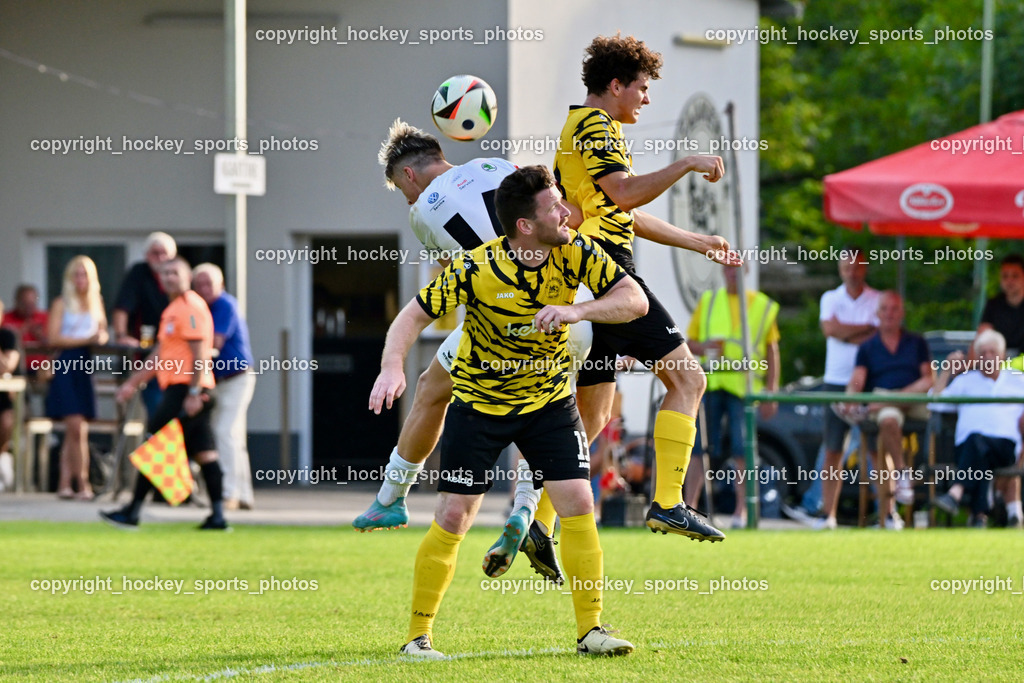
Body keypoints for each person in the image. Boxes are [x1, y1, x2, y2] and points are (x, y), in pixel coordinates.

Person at [373, 166, 645, 658]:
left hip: (548, 404)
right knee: (454, 516)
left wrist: (576, 311)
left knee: (580, 505)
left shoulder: (574, 251)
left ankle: (592, 631)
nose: (566, 212)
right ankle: (417, 638)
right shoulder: (476, 268)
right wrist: (392, 365)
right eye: (554, 207)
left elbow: (635, 300)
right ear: (524, 225)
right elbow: (412, 315)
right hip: (480, 406)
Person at [355, 119, 597, 586]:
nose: (410, 201)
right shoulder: (497, 165)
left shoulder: (423, 209)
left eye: (406, 193)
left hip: (502, 324)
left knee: (430, 389)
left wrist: (391, 363)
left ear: (409, 177)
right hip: (572, 314)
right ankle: (526, 510)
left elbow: (461, 277)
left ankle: (391, 496)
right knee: (547, 410)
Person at [554, 33, 739, 540]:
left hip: (586, 278)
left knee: (589, 420)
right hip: (609, 276)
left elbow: (622, 211)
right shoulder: (596, 125)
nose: (647, 99)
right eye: (642, 88)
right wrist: (684, 163)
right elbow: (623, 192)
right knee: (689, 381)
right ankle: (668, 501)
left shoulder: (583, 125)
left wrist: (698, 242)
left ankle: (533, 520)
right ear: (615, 86)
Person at [100, 257, 228, 530]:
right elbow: (160, 354)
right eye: (166, 273)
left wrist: (193, 393)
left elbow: (199, 354)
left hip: (186, 389)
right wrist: (133, 382)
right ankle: (217, 516)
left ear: (186, 278)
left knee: (155, 445)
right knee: (205, 453)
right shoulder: (172, 309)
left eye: (175, 273)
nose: (170, 277)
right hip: (183, 388)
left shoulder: (190, 306)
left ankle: (132, 512)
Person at [683, 265, 780, 528]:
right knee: (699, 448)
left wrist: (771, 391)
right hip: (712, 383)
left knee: (743, 449)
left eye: (736, 270)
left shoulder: (761, 305)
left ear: (745, 271)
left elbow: (772, 350)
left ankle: (743, 510)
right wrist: (705, 347)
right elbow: (689, 343)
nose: (731, 274)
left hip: (742, 388)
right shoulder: (709, 302)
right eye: (727, 269)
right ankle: (688, 507)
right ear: (722, 272)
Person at [839, 291, 934, 530]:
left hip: (912, 403)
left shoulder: (917, 342)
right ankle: (893, 498)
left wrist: (891, 398)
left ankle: (893, 507)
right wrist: (850, 397)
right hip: (884, 413)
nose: (890, 314)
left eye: (895, 309)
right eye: (885, 309)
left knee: (883, 409)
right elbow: (858, 380)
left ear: (901, 313)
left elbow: (928, 380)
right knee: (886, 421)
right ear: (878, 313)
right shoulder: (868, 347)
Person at [807, 249, 880, 530]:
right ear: (840, 270)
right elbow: (830, 330)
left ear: (865, 268)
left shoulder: (875, 299)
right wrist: (862, 329)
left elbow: (876, 332)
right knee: (833, 450)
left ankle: (884, 513)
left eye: (857, 266)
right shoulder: (830, 298)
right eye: (847, 267)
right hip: (836, 381)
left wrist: (845, 330)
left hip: (868, 381)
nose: (852, 272)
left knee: (874, 449)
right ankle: (829, 514)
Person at [931, 330, 1024, 527]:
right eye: (982, 353)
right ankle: (979, 515)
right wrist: (946, 370)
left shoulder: (1018, 381)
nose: (988, 357)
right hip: (969, 449)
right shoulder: (966, 381)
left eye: (992, 352)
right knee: (979, 450)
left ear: (1003, 355)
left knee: (977, 442)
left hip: (1005, 449)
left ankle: (957, 491)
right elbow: (935, 404)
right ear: (976, 357)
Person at [193, 263, 256, 511]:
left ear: (221, 285)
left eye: (209, 283)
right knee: (234, 436)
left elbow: (213, 344)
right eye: (199, 284)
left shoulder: (224, 305)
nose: (204, 288)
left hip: (235, 378)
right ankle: (244, 494)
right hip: (218, 381)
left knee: (223, 432)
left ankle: (228, 493)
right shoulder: (200, 307)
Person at [45, 256, 109, 500]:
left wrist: (99, 339)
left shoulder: (96, 302)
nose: (81, 279)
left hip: (85, 365)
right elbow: (53, 338)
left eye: (85, 274)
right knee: (75, 427)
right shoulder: (62, 303)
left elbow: (101, 332)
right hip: (66, 364)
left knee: (76, 429)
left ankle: (64, 483)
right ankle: (82, 483)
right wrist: (87, 340)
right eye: (77, 274)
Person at [975, 254, 1024, 524]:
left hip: (1019, 380)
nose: (1009, 282)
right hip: (1003, 381)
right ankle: (1012, 506)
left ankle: (998, 492)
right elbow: (982, 340)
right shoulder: (994, 305)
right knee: (1000, 429)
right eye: (1005, 276)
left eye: (1015, 276)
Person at [112, 232, 176, 417]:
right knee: (155, 406)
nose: (160, 258)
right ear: (146, 255)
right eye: (155, 253)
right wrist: (122, 335)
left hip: (173, 353)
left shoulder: (180, 289)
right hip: (148, 345)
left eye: (164, 253)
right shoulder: (140, 273)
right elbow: (122, 306)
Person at [2, 284, 49, 379]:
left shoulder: (45, 318)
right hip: (14, 369)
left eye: (31, 304)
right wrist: (18, 333)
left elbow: (54, 344)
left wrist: (41, 336)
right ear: (16, 301)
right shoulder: (5, 318)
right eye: (25, 304)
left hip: (40, 367)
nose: (28, 308)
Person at [0, 296, 21, 459]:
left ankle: (2, 457)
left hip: (4, 398)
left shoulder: (8, 336)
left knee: (6, 421)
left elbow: (6, 366)